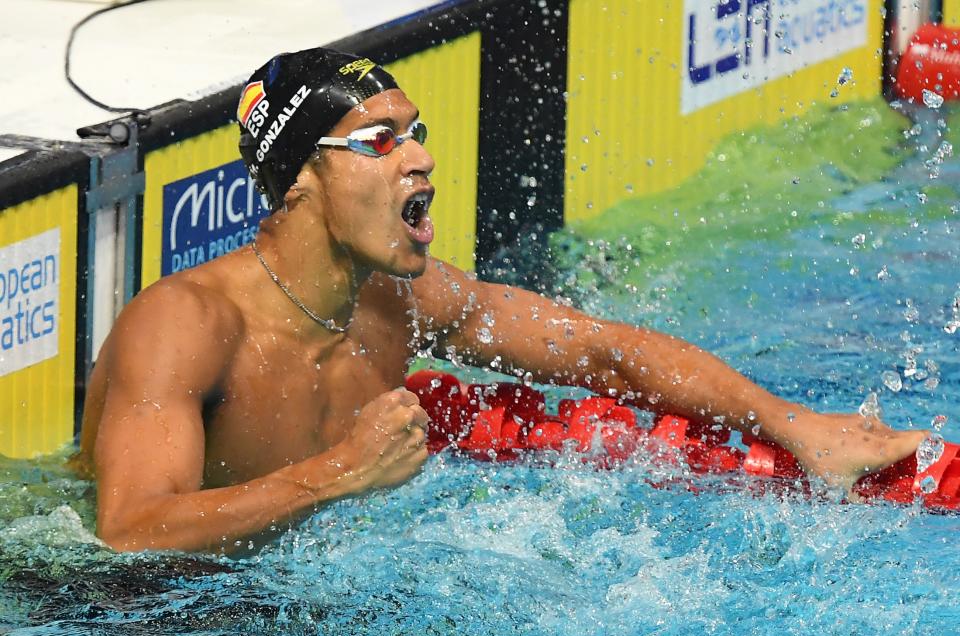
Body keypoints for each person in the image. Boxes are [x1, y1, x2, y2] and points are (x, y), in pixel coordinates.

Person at [73, 48, 926, 554]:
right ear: (298, 177)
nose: (418, 159)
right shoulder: (187, 324)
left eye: (417, 133)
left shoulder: (398, 302)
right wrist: (339, 474)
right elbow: (130, 529)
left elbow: (600, 351)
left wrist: (787, 422)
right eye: (378, 141)